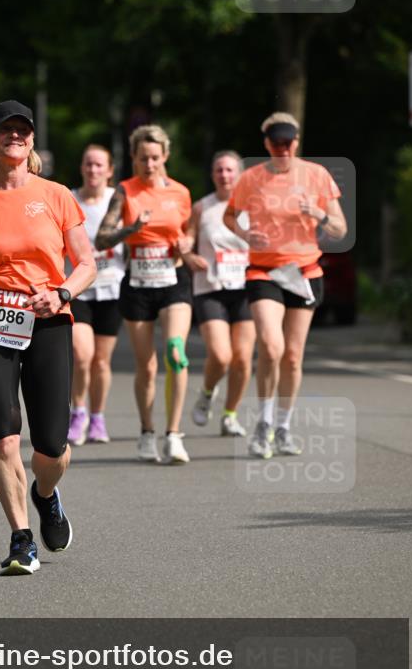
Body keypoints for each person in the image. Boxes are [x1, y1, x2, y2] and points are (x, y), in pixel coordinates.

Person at [0, 100, 95, 575]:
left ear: (31, 140)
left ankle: (45, 493)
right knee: (4, 437)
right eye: (5, 129)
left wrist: (63, 292)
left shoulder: (56, 195)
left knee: (51, 446)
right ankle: (20, 538)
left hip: (48, 318)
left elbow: (87, 263)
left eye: (23, 130)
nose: (15, 136)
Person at [223, 113, 347, 457]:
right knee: (271, 346)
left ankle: (283, 426)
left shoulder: (317, 176)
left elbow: (340, 229)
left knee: (292, 357)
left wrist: (319, 214)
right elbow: (229, 215)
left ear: (297, 141)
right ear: (266, 144)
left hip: (304, 272)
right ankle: (262, 424)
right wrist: (247, 234)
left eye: (288, 143)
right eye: (276, 144)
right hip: (263, 272)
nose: (283, 149)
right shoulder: (251, 178)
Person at [95, 124, 193, 464]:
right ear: (134, 158)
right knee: (147, 367)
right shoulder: (124, 192)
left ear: (165, 156)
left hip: (173, 279)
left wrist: (187, 244)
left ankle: (174, 434)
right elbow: (101, 239)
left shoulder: (180, 193)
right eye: (142, 159)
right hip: (137, 283)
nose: (149, 165)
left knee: (175, 352)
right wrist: (132, 229)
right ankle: (148, 431)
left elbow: (188, 234)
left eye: (154, 158)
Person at [184, 151, 255, 436]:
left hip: (246, 288)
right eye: (219, 171)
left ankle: (230, 414)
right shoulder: (202, 207)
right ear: (213, 175)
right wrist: (189, 256)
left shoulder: (253, 208)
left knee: (242, 358)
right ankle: (207, 393)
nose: (225, 176)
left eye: (229, 170)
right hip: (210, 287)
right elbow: (187, 240)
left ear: (239, 174)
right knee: (221, 355)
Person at [67, 145, 126, 445]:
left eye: (99, 165)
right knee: (81, 355)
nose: (93, 170)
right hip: (78, 288)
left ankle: (98, 418)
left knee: (101, 362)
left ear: (110, 170)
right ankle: (78, 413)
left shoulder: (119, 201)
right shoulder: (70, 199)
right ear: (82, 168)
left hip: (111, 288)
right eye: (88, 164)